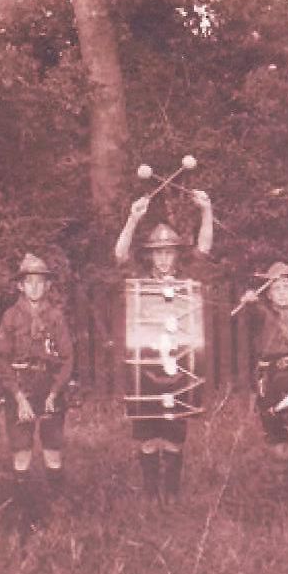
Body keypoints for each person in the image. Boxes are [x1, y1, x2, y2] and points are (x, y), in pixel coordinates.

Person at [114, 189, 214, 504]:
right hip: (144, 365)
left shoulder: (187, 278)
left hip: (180, 365)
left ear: (176, 255)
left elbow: (204, 250)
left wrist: (207, 211)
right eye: (158, 253)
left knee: (173, 434)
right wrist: (133, 218)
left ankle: (170, 494)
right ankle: (150, 494)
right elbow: (120, 256)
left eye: (169, 253)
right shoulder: (139, 279)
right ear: (151, 256)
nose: (164, 259)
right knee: (147, 435)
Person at [0, 254, 74, 519]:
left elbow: (67, 358)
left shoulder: (56, 316)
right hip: (20, 388)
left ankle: (57, 507)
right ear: (21, 286)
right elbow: (2, 360)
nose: (35, 287)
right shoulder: (10, 317)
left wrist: (55, 393)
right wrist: (18, 398)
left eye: (40, 282)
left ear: (48, 285)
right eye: (29, 282)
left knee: (53, 448)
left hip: (49, 386)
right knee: (22, 450)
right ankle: (23, 510)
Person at [237, 261, 288, 489]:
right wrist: (249, 303)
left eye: (286, 287)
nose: (282, 293)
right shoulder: (261, 312)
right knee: (276, 436)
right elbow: (249, 319)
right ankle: (281, 490)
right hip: (270, 380)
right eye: (276, 289)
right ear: (269, 294)